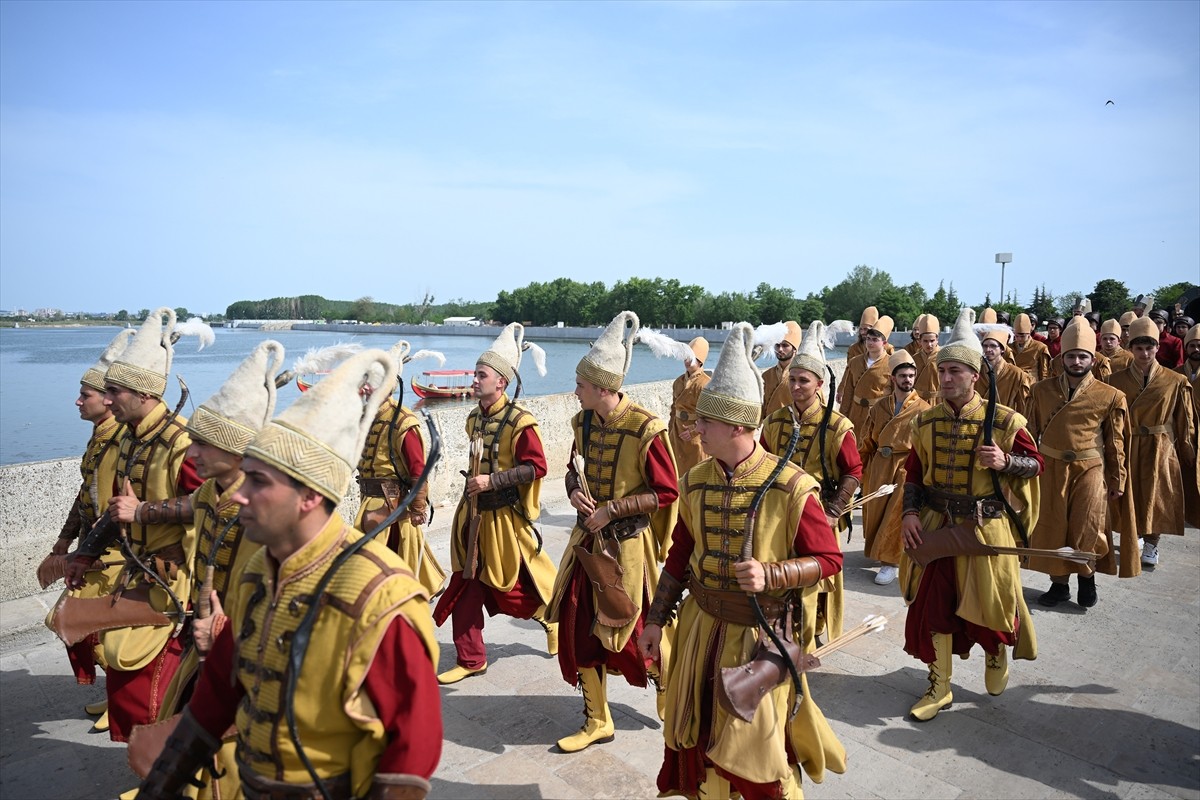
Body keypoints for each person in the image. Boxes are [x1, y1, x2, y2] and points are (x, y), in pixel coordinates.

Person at [136, 348, 442, 800]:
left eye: (259, 482)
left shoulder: (379, 595)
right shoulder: (259, 571)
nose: (241, 495)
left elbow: (412, 750)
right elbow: (219, 689)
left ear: (309, 497)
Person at [638, 322, 845, 800]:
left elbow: (829, 559)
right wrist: (655, 619)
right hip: (699, 627)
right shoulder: (694, 482)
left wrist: (772, 573)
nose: (693, 431)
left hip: (760, 634)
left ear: (735, 426)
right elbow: (679, 555)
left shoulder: (792, 487)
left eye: (703, 423)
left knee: (761, 757)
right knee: (700, 741)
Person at [118, 340, 286, 798]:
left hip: (243, 641)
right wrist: (142, 512)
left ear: (235, 452)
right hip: (207, 627)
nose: (191, 454)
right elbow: (187, 505)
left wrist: (229, 629)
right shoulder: (213, 492)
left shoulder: (263, 511)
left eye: (203, 445)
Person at [62, 309, 204, 744]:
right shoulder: (127, 437)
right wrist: (83, 553)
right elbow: (112, 507)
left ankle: (160, 766)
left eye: (116, 391)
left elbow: (211, 508)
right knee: (122, 666)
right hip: (136, 570)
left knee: (143, 674)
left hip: (175, 577)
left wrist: (144, 513)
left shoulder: (183, 443)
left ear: (142, 394)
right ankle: (154, 766)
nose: (109, 399)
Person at [899, 308, 1042, 721]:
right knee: (933, 608)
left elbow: (1036, 465)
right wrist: (910, 514)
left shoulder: (1005, 420)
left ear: (975, 375)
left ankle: (996, 655)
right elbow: (913, 474)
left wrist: (1006, 462)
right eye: (942, 371)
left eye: (956, 372)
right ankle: (939, 686)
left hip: (986, 528)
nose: (946, 379)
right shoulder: (924, 421)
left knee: (992, 606)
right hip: (936, 527)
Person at [547, 310, 679, 752]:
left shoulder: (646, 428)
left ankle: (666, 678)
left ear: (603, 387)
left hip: (626, 548)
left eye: (582, 385)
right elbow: (571, 470)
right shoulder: (582, 422)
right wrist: (574, 494)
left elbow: (666, 491)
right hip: (587, 544)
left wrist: (612, 510)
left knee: (631, 628)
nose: (576, 391)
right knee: (578, 624)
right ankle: (597, 719)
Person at [433, 324, 558, 684]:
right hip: (471, 516)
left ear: (500, 382)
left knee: (510, 588)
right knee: (467, 582)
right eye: (475, 373)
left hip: (503, 518)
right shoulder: (474, 417)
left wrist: (493, 480)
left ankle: (549, 615)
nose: (474, 380)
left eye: (480, 374)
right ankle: (471, 657)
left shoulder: (521, 422)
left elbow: (537, 467)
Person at [42, 329, 134, 733]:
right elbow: (86, 494)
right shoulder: (98, 438)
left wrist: (89, 550)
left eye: (87, 394)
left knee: (106, 630)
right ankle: (118, 698)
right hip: (91, 546)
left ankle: (125, 703)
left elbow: (116, 504)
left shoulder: (120, 441)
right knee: (92, 627)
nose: (79, 401)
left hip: (113, 551)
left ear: (108, 400)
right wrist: (65, 539)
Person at [762, 322, 861, 643]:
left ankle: (813, 627)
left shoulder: (837, 425)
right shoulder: (775, 421)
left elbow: (853, 471)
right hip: (779, 514)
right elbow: (760, 463)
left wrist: (834, 510)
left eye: (803, 381)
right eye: (791, 379)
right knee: (784, 573)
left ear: (819, 384)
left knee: (818, 576)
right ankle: (786, 627)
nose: (795, 386)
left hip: (820, 513)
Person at [1025, 319, 1128, 608]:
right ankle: (1058, 585)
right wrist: (1022, 466)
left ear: (1092, 360)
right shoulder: (1041, 390)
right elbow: (1029, 433)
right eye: (1071, 355)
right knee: (1054, 525)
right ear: (1062, 358)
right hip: (1050, 466)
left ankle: (1086, 576)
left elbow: (1115, 442)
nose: (1076, 361)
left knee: (1086, 525)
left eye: (1083, 356)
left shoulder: (1110, 396)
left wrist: (1118, 479)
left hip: (1090, 467)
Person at [1105, 317, 1197, 570]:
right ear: (1130, 348)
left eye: (1150, 348)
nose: (1145, 353)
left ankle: (1152, 542)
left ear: (1158, 347)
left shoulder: (1174, 380)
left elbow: (1184, 417)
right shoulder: (1116, 381)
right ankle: (1131, 533)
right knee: (1128, 492)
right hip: (1128, 442)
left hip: (1160, 444)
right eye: (1139, 348)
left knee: (1157, 495)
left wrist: (1186, 446)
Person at [357, 340, 446, 597]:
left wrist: (418, 507)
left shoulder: (403, 422)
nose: (363, 387)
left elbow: (418, 469)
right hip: (369, 506)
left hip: (392, 509)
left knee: (384, 580)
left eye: (369, 382)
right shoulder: (367, 417)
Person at [858, 350, 930, 586]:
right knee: (876, 512)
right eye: (903, 376)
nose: (907, 380)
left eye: (911, 375)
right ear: (893, 378)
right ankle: (878, 551)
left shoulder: (923, 408)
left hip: (905, 465)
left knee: (896, 514)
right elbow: (867, 439)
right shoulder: (880, 407)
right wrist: (859, 468)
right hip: (879, 463)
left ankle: (890, 563)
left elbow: (927, 445)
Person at [838, 314, 895, 432]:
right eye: (868, 339)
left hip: (878, 413)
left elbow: (894, 394)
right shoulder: (855, 362)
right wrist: (842, 416)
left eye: (875, 340)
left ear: (884, 343)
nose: (870, 342)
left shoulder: (892, 363)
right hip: (855, 412)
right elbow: (848, 391)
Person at [669, 337, 713, 476]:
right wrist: (670, 431)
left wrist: (694, 430)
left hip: (696, 435)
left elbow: (709, 414)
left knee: (696, 472)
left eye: (692, 358)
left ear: (700, 360)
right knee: (676, 471)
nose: (687, 361)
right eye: (686, 357)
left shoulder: (706, 383)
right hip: (677, 432)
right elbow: (673, 409)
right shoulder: (678, 381)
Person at [974, 323, 1033, 417]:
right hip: (977, 420)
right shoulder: (976, 370)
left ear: (1002, 349)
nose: (988, 349)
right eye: (985, 346)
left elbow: (1023, 406)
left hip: (1004, 423)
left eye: (993, 346)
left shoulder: (1017, 374)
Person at [1180, 324, 1200, 529]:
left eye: (1199, 345)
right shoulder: (1176, 375)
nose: (1196, 349)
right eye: (1192, 345)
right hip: (1182, 430)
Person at [761, 321, 802, 420]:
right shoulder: (766, 376)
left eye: (785, 346)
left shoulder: (804, 375)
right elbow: (761, 406)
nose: (780, 349)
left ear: (794, 348)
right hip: (769, 429)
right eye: (777, 345)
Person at [1011, 313, 1052, 382]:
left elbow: (1044, 372)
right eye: (1017, 336)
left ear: (1029, 333)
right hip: (1013, 383)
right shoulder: (1009, 347)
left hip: (1031, 384)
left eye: (1022, 336)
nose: (1019, 339)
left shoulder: (1040, 347)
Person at [912, 313, 942, 403]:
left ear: (937, 339)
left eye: (932, 341)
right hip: (917, 401)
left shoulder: (944, 357)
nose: (929, 344)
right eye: (925, 341)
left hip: (939, 401)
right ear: (920, 341)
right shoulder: (914, 359)